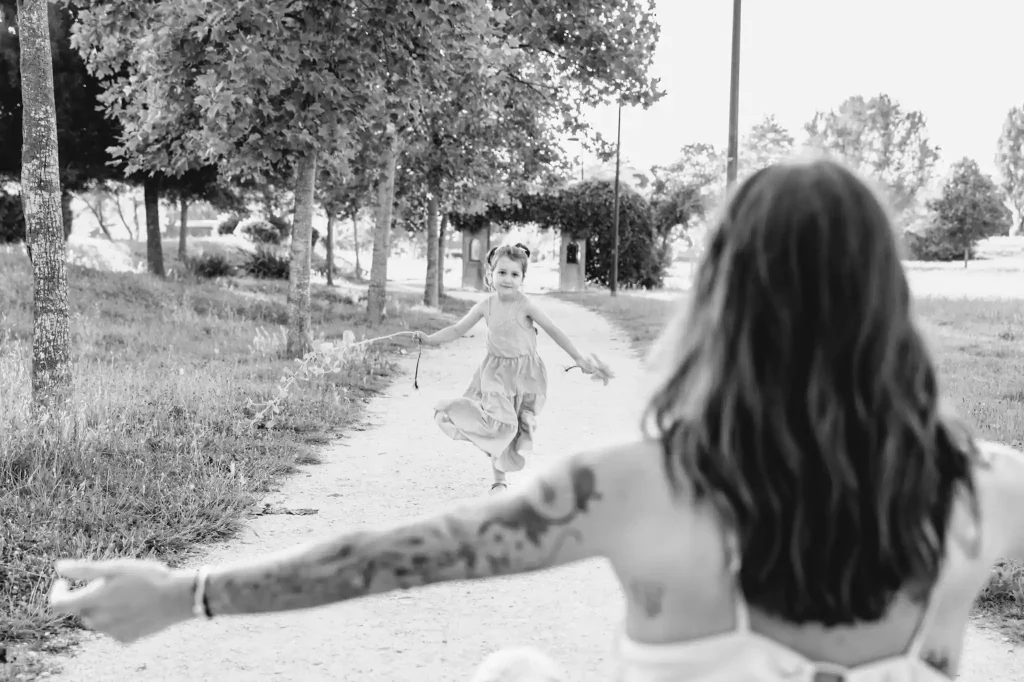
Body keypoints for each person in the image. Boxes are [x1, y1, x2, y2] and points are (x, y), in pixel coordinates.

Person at [48, 157, 1024, 681]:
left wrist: (184, 594)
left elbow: (388, 552)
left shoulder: (637, 486)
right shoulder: (992, 484)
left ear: (720, 299)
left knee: (513, 669)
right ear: (886, 302)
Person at [414, 242, 611, 494]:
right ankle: (499, 480)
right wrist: (429, 339)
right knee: (499, 423)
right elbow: (456, 329)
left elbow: (553, 330)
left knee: (514, 427)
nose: (507, 279)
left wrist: (579, 359)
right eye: (502, 273)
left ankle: (503, 470)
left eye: (514, 274)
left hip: (526, 374)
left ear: (522, 278)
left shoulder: (526, 305)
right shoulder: (485, 306)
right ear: (491, 275)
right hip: (495, 374)